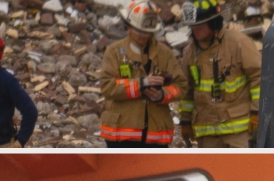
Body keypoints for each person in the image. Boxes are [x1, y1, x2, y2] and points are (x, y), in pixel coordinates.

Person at [98, 0, 187, 147]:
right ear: (128, 26)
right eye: (138, 31)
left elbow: (181, 86)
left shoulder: (164, 54)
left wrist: (162, 94)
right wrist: (142, 84)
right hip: (121, 135)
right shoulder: (114, 52)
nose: (142, 36)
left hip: (156, 135)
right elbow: (108, 87)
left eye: (146, 32)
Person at [176, 0, 261, 146]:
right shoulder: (190, 53)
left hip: (238, 132)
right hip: (207, 132)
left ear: (214, 23)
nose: (195, 30)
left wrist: (256, 112)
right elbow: (187, 92)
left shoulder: (238, 43)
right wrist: (185, 120)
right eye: (192, 26)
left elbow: (259, 76)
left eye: (200, 25)